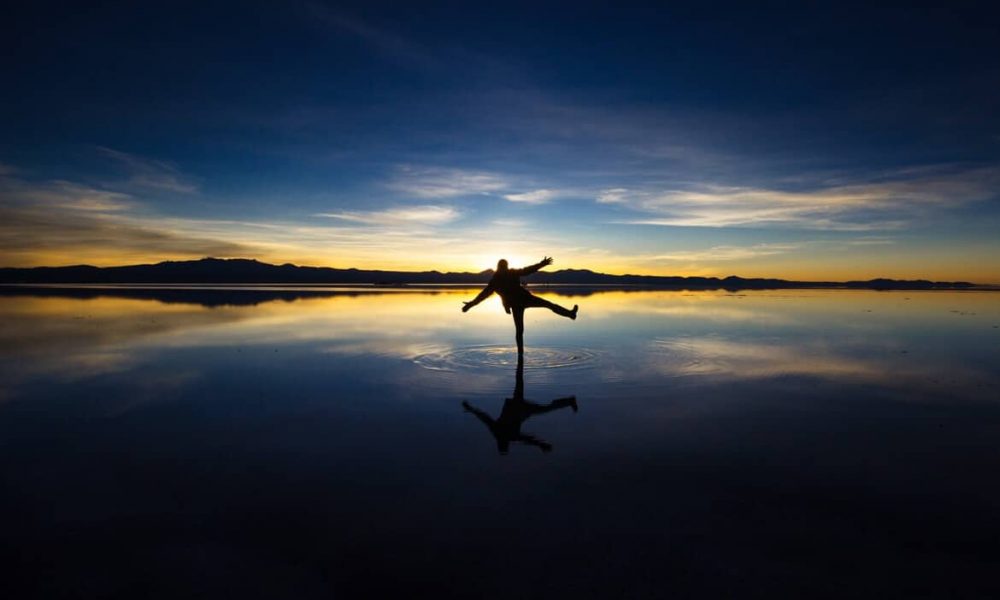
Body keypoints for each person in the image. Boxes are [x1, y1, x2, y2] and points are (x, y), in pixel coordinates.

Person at [461, 256, 577, 357]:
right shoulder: (496, 281)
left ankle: (570, 314)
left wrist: (542, 264)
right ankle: (520, 353)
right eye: (503, 267)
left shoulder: (508, 274)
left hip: (526, 299)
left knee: (549, 305)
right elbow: (483, 295)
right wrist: (470, 304)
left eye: (505, 267)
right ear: (500, 267)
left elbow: (527, 270)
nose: (504, 269)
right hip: (517, 304)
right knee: (520, 330)